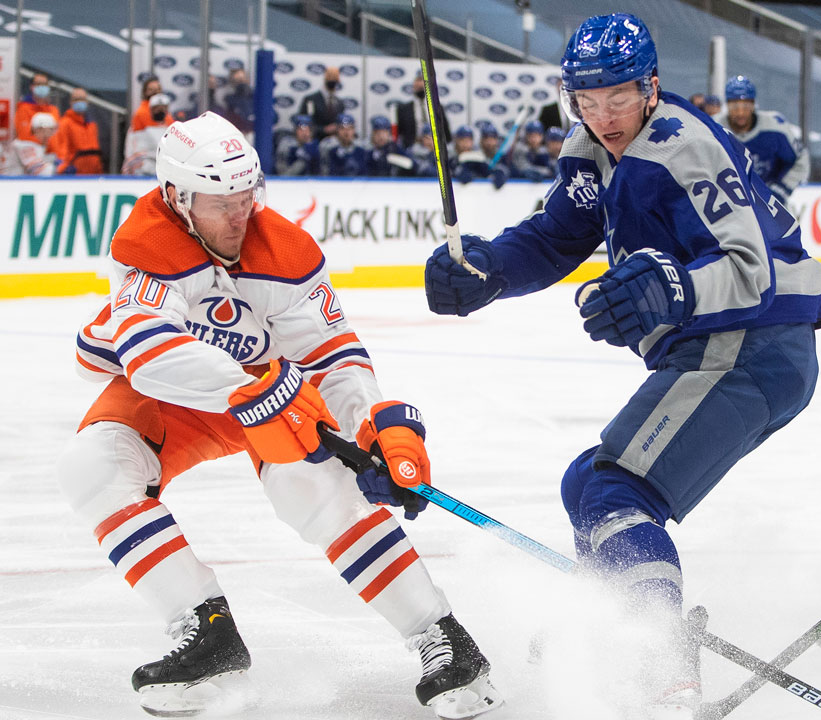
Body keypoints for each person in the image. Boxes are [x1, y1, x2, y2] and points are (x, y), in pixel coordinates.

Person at [425, 13, 821, 716]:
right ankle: (618, 626)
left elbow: (751, 271)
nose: (603, 115)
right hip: (720, 345)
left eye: (618, 97)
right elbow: (560, 233)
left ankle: (664, 669)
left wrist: (671, 287)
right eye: (586, 100)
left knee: (618, 496)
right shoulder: (588, 146)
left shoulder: (684, 147)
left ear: (650, 86)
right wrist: (491, 267)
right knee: (586, 483)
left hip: (755, 342)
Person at [55, 112, 502, 719]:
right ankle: (205, 632)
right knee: (94, 465)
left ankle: (442, 638)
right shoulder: (147, 240)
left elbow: (334, 355)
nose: (240, 216)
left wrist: (376, 428)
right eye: (221, 203)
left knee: (318, 487)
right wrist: (254, 393)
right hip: (191, 397)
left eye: (248, 197)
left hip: (273, 390)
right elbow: (148, 354)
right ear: (176, 198)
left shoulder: (287, 250)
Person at [720, 75, 809, 202]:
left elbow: (800, 158)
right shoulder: (714, 129)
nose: (740, 113)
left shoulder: (775, 127)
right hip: (729, 208)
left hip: (770, 206)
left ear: (753, 105)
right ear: (727, 105)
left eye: (745, 106)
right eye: (735, 107)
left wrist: (781, 189)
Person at [49, 87, 104, 174]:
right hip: (74, 173)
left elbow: (95, 151)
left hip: (93, 173)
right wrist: (63, 168)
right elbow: (62, 149)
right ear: (71, 102)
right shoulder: (65, 123)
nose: (79, 102)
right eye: (76, 99)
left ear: (87, 102)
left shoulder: (91, 124)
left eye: (82, 99)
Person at [123, 93, 174, 176]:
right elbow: (130, 148)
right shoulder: (139, 126)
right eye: (157, 108)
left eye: (163, 108)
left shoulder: (171, 128)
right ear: (151, 109)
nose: (160, 110)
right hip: (142, 164)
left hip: (163, 165)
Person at [394, 73, 451, 147]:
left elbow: (446, 132)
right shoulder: (404, 109)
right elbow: (399, 134)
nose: (421, 85)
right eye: (418, 81)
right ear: (413, 86)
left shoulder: (438, 107)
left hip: (435, 148)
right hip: (411, 148)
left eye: (423, 82)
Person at [300, 67, 345, 141]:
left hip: (334, 143)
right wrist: (323, 129)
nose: (332, 81)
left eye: (335, 79)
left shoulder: (340, 103)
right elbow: (304, 122)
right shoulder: (311, 100)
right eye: (330, 77)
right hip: (314, 141)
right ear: (325, 78)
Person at [16, 73, 61, 142]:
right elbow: (24, 135)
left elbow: (57, 137)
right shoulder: (23, 108)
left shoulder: (53, 110)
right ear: (31, 87)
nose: (41, 87)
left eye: (44, 84)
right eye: (38, 84)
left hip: (52, 151)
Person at [218, 67, 254, 137]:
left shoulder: (257, 98)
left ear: (248, 80)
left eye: (243, 80)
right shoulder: (230, 101)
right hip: (236, 135)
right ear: (232, 82)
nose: (241, 84)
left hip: (255, 135)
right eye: (237, 81)